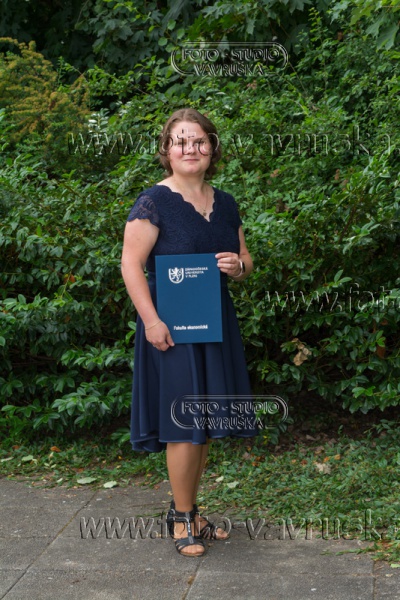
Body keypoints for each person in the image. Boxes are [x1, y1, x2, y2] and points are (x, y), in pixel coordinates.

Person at [121, 108, 257, 557]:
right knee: (185, 424)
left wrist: (238, 267)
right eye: (180, 141)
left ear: (212, 148)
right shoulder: (153, 202)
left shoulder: (227, 202)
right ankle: (182, 520)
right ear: (167, 149)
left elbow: (245, 259)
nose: (190, 149)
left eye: (199, 141)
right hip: (170, 329)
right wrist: (151, 321)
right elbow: (130, 265)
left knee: (204, 423)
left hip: (214, 324)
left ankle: (190, 511)